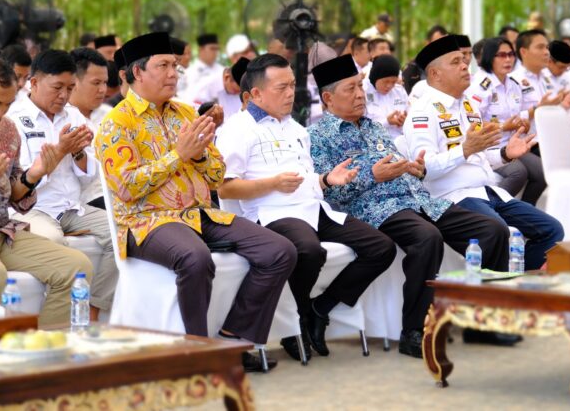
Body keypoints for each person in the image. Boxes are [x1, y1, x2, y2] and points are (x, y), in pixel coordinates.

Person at [95, 32, 296, 371]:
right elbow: (127, 188)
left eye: (175, 65)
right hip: (146, 221)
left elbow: (218, 176)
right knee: (195, 257)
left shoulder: (186, 114)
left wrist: (199, 156)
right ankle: (199, 352)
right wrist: (178, 156)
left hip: (201, 215)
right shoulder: (116, 123)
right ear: (137, 73)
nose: (174, 73)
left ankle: (234, 339)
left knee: (280, 251)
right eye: (163, 66)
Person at [309, 54, 513, 356]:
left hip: (417, 199)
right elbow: (328, 194)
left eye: (359, 87)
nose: (359, 95)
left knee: (493, 230)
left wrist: (412, 169)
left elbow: (397, 164)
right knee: (426, 238)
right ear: (327, 98)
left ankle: (481, 323)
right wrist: (371, 175)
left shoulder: (374, 127)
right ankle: (414, 331)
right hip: (373, 208)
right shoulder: (317, 137)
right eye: (350, 89)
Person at [218, 54, 396, 361]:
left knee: (381, 247)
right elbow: (224, 186)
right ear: (256, 93)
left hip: (312, 207)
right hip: (271, 212)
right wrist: (271, 184)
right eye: (282, 87)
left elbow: (306, 181)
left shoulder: (296, 128)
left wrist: (327, 179)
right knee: (310, 250)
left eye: (292, 85)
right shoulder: (237, 129)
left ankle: (319, 308)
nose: (290, 93)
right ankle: (295, 321)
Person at [0, 55, 92, 325]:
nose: (1, 113)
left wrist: (34, 174)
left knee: (77, 267)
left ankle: (46, 350)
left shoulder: (6, 129)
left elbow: (14, 196)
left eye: (7, 105)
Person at [404, 35, 563, 274]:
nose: (465, 66)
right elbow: (425, 169)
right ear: (435, 74)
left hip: (488, 190)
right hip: (453, 196)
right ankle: (502, 287)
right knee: (496, 230)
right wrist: (464, 150)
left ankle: (516, 276)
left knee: (552, 229)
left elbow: (480, 156)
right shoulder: (422, 111)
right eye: (455, 62)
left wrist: (505, 154)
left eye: (464, 60)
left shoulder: (468, 104)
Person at [8, 49, 117, 320]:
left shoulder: (73, 116)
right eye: (57, 87)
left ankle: (92, 309)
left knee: (122, 233)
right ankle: (50, 318)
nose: (64, 96)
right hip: (32, 209)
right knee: (54, 245)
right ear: (33, 83)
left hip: (72, 207)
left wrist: (78, 152)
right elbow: (21, 179)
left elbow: (90, 174)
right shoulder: (14, 118)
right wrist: (60, 151)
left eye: (70, 88)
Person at [466, 38, 545, 204]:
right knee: (519, 172)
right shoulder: (480, 87)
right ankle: (490, 212)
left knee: (541, 172)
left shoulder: (514, 84)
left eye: (510, 54)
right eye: (501, 55)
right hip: (488, 147)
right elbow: (472, 122)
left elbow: (516, 115)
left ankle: (525, 215)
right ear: (489, 57)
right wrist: (503, 126)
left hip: (512, 144)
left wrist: (523, 122)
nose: (508, 59)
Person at [511, 30, 570, 139]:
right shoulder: (513, 80)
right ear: (523, 52)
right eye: (540, 47)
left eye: (547, 47)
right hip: (527, 145)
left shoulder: (547, 78)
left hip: (551, 140)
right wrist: (539, 108)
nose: (546, 52)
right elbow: (510, 120)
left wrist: (563, 104)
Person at [67, 48, 109, 209]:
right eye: (96, 83)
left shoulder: (110, 115)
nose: (103, 90)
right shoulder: (63, 121)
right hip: (89, 199)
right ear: (74, 82)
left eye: (105, 82)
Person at [363, 55, 408, 139]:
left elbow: (410, 117)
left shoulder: (399, 91)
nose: (389, 86)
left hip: (400, 141)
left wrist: (405, 121)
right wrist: (386, 122)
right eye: (386, 81)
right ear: (376, 77)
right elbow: (360, 127)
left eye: (394, 82)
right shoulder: (362, 91)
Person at [183, 33, 225, 105]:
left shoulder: (223, 71)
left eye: (216, 49)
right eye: (212, 48)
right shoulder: (189, 72)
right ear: (201, 49)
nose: (215, 52)